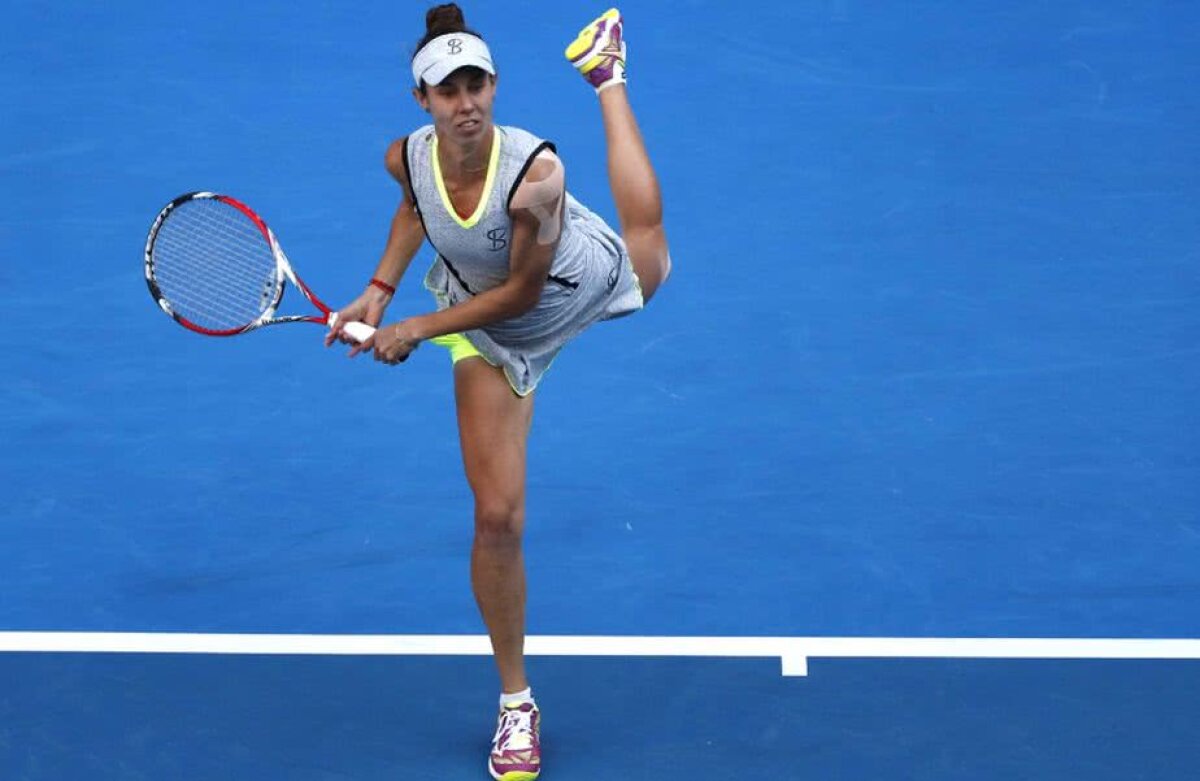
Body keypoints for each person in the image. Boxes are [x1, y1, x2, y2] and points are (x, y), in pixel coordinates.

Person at [326, 5, 669, 779]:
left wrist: (414, 326)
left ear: (495, 84)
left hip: (564, 284)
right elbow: (416, 205)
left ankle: (608, 77)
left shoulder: (535, 176)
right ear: (422, 101)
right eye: (447, 90)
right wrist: (380, 287)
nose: (466, 101)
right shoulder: (403, 157)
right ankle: (517, 701)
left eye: (476, 83)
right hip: (482, 326)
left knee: (653, 256)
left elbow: (520, 294)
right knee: (497, 515)